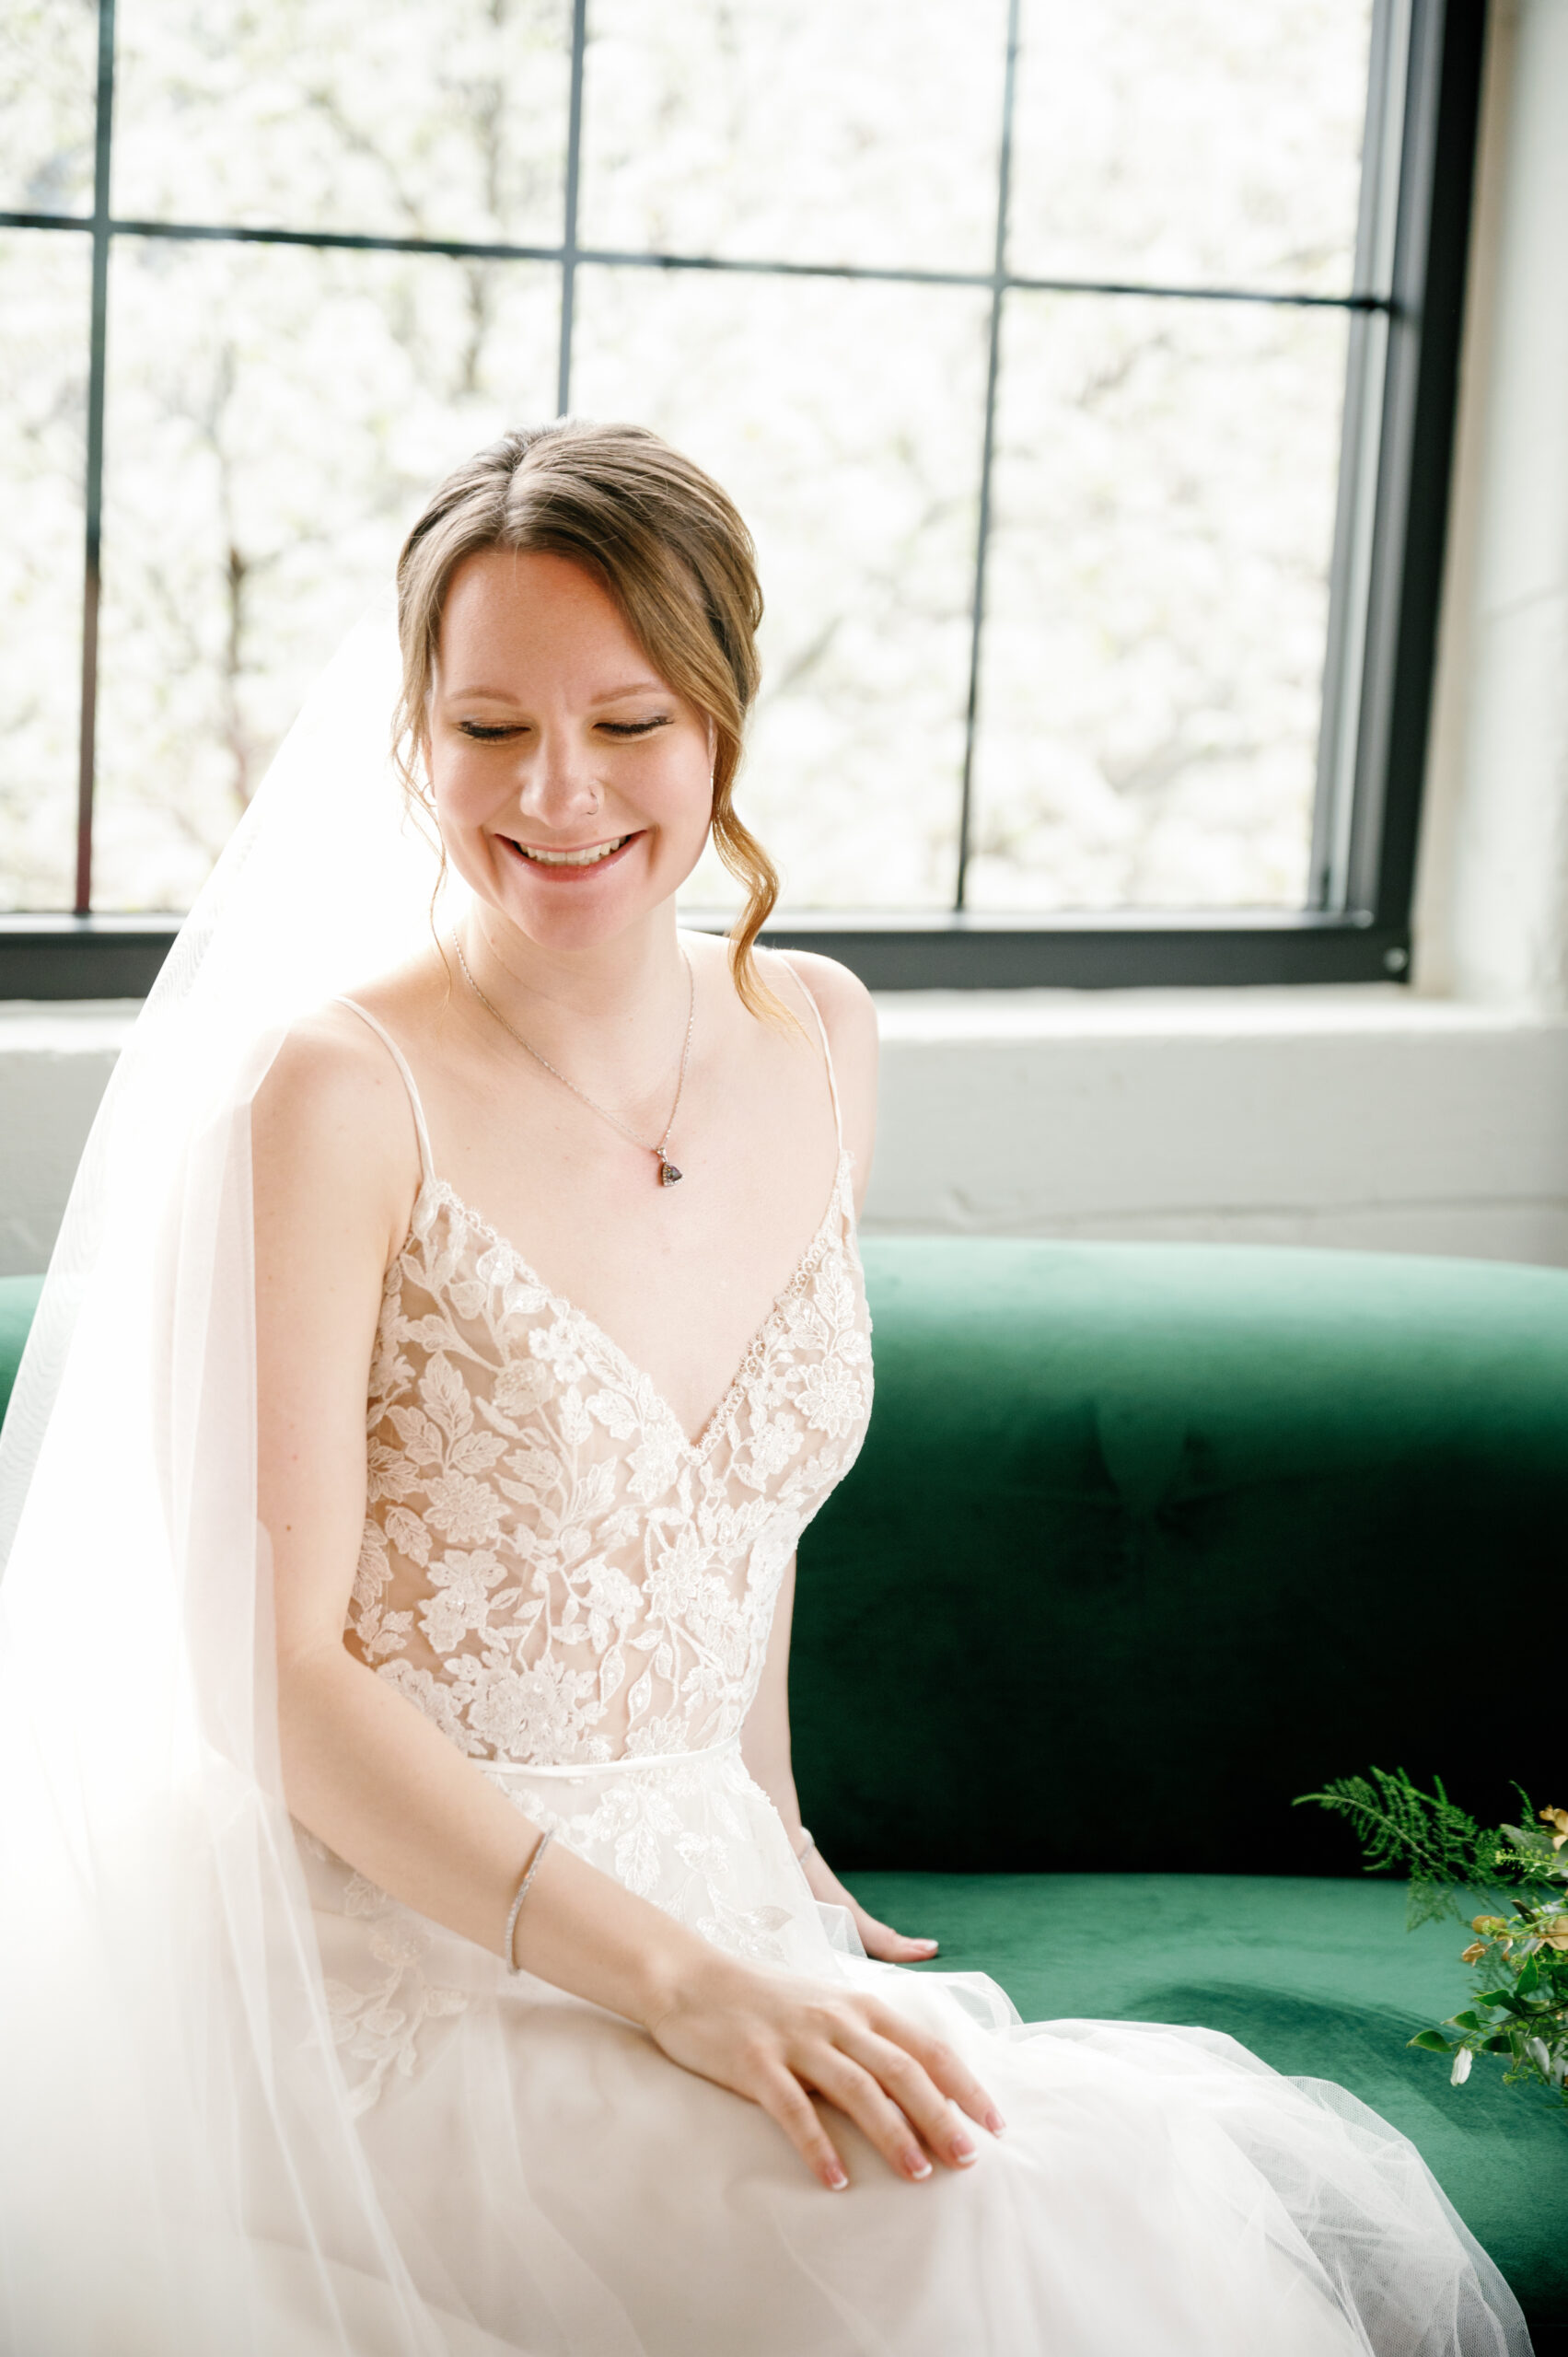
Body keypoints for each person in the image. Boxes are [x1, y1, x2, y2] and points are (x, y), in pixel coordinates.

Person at [0, 423, 1531, 2356]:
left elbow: (741, 1505)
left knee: (1073, 2182)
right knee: (948, 2248)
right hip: (392, 1950)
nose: (556, 793)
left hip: (709, 1895)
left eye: (628, 719)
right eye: (487, 727)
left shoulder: (819, 1030)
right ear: (414, 733)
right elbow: (278, 1681)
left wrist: (772, 1838)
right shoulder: (335, 1091)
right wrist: (680, 1984)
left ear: (723, 715)